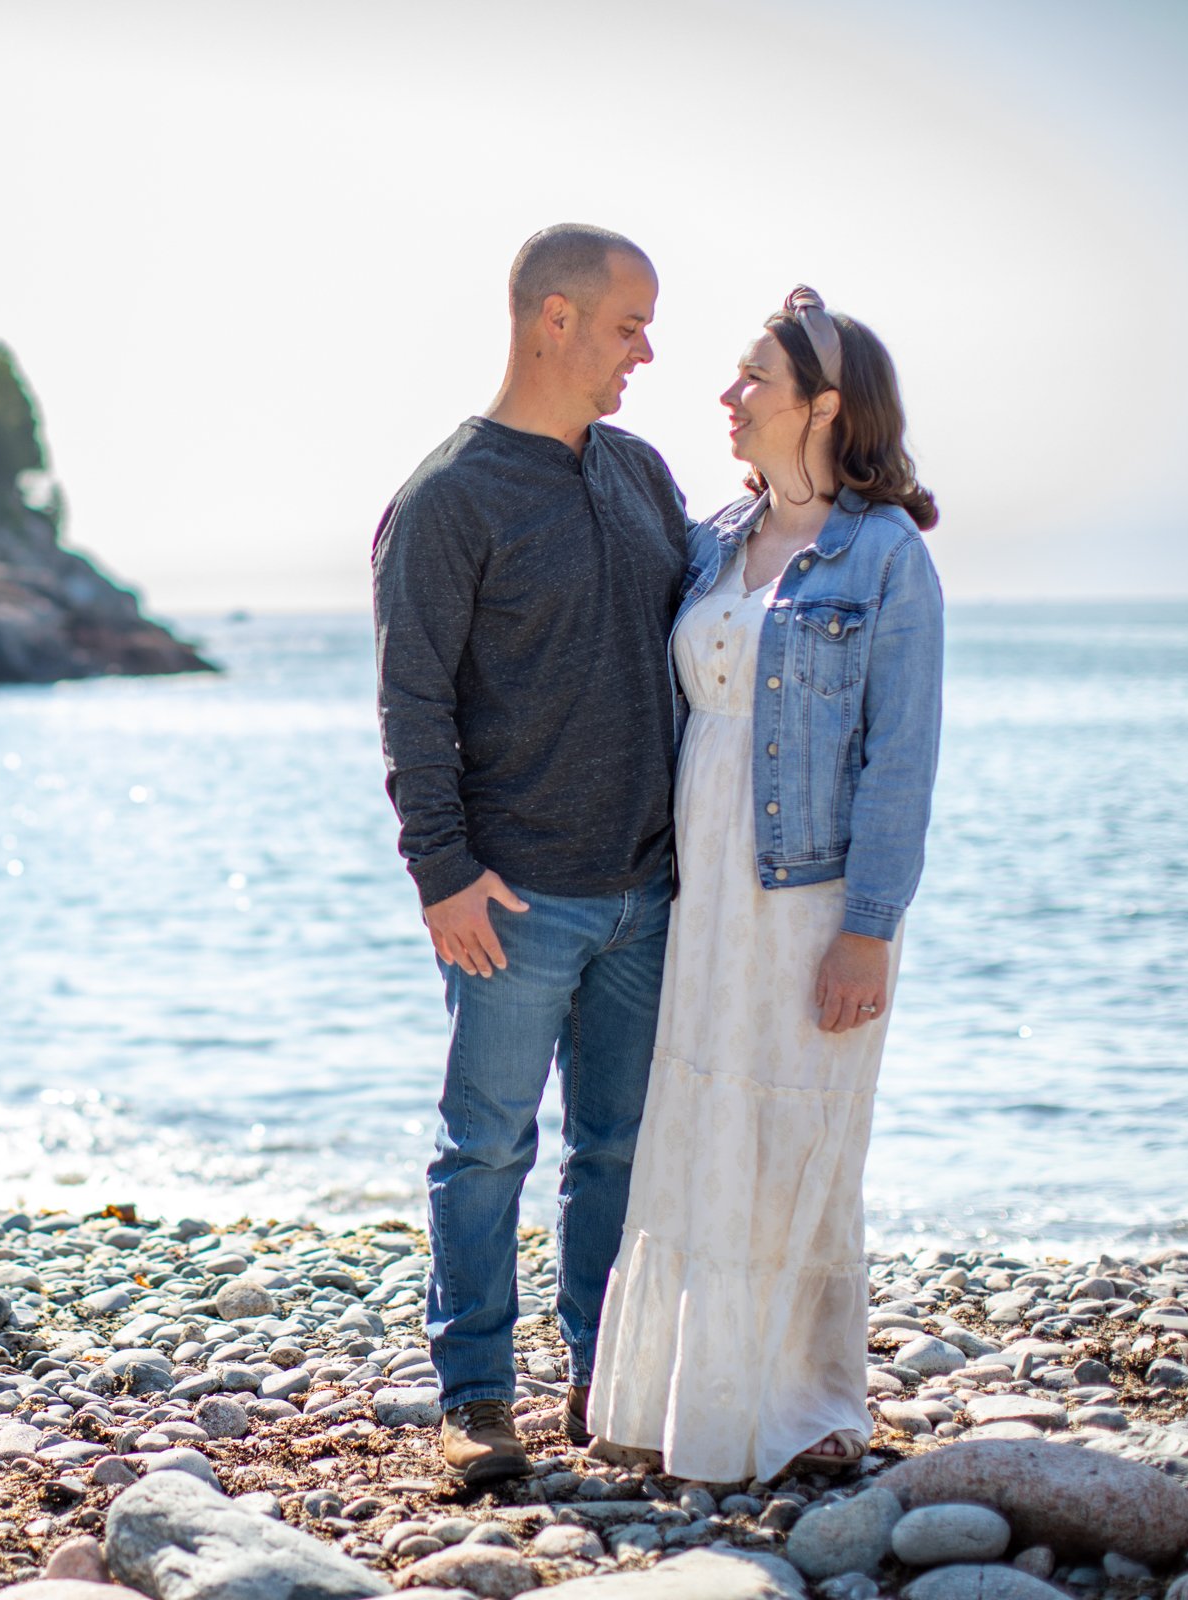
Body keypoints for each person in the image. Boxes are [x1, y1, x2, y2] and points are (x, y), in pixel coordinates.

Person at [585, 286, 944, 1481]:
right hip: (702, 894)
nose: (727, 397)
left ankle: (796, 1403)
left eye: (755, 382)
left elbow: (902, 756)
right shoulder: (717, 539)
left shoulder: (887, 558)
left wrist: (869, 933)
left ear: (824, 407)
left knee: (800, 1136)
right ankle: (683, 1398)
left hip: (809, 897)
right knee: (699, 1124)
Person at [370, 224, 691, 1487]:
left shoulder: (643, 474)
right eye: (628, 325)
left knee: (616, 1146)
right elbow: (412, 701)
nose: (646, 351)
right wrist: (441, 872)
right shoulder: (448, 497)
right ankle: (477, 1400)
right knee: (488, 1146)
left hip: (647, 892)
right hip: (513, 898)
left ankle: (600, 1379)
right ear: (553, 319)